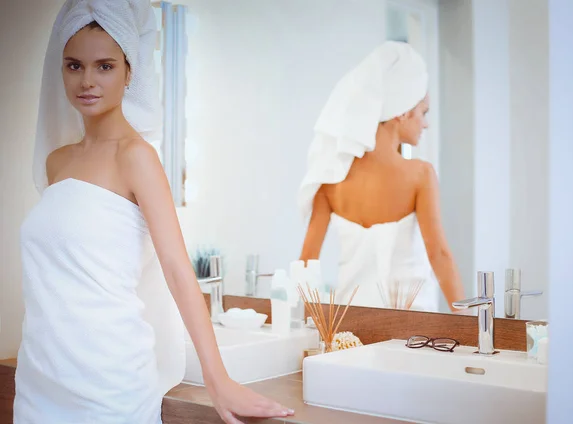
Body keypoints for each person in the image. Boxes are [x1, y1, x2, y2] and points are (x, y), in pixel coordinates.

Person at [14, 1, 293, 423]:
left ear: (130, 73)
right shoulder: (56, 162)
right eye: (74, 66)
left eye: (105, 66)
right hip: (41, 381)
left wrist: (219, 380)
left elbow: (178, 270)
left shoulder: (137, 158)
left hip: (107, 385)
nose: (87, 81)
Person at [298, 41, 465, 312]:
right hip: (412, 331)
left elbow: (306, 262)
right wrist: (467, 323)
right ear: (402, 112)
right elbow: (439, 255)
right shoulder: (420, 175)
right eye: (423, 112)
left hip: (349, 330)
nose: (426, 123)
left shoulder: (330, 179)